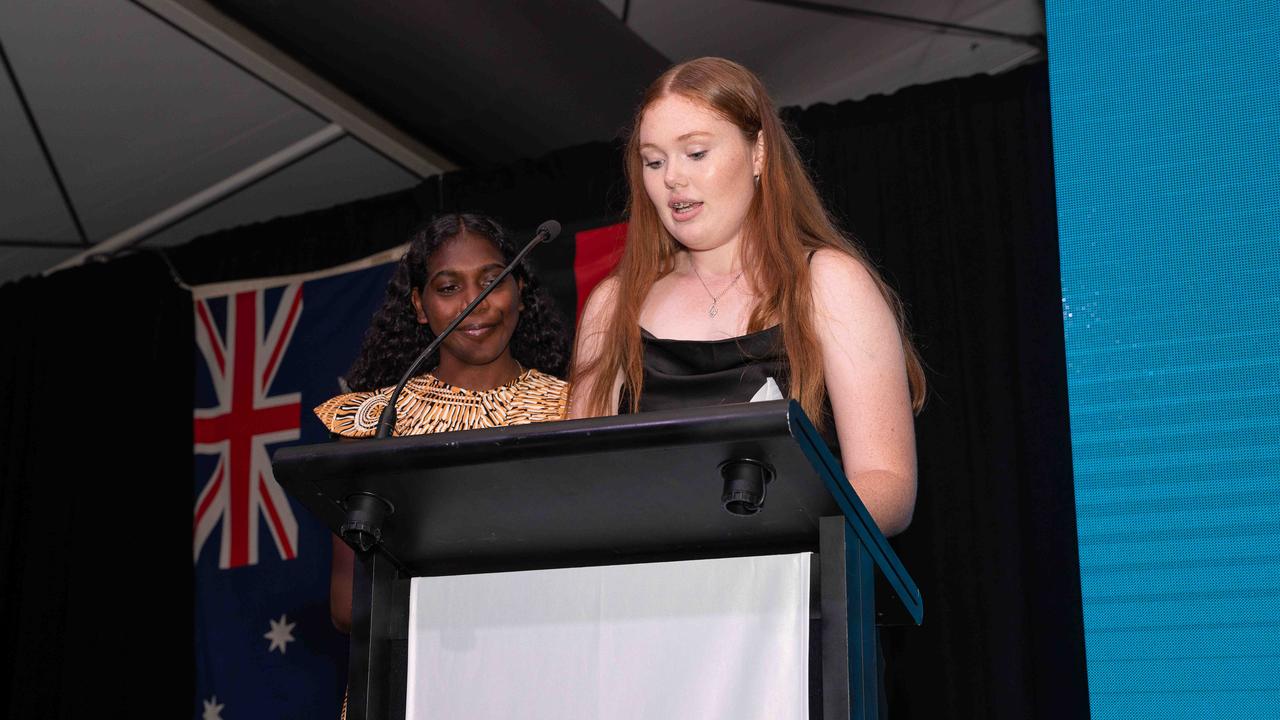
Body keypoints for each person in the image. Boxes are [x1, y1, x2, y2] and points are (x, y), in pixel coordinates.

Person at [569, 57, 925, 537]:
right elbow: (575, 481)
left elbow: (887, 485)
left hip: (792, 589)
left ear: (758, 153)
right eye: (654, 161)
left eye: (695, 153)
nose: (672, 177)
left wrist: (758, 534)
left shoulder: (828, 282)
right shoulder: (612, 305)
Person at [315, 212, 572, 635]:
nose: (475, 302)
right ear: (419, 305)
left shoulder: (575, 408)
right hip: (406, 676)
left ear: (520, 291)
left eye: (492, 280)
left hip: (539, 659)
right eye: (449, 287)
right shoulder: (373, 423)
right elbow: (347, 604)